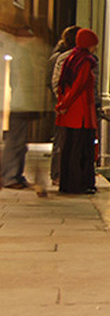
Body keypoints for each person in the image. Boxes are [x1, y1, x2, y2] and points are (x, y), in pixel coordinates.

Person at [2, 28, 48, 189]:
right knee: (15, 141)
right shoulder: (21, 55)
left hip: (21, 104)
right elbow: (22, 82)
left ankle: (15, 175)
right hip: (19, 105)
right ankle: (10, 177)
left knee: (19, 142)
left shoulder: (21, 54)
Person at [54, 29, 99, 195]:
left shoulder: (71, 58)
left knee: (69, 148)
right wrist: (64, 104)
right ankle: (80, 184)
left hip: (70, 113)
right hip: (82, 112)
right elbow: (79, 86)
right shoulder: (86, 61)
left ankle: (67, 183)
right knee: (81, 149)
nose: (95, 48)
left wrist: (62, 104)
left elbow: (63, 84)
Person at [47, 25, 81, 186]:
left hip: (62, 104)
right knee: (65, 140)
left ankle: (60, 174)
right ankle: (61, 174)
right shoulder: (64, 58)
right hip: (67, 106)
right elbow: (56, 83)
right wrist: (64, 101)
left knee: (61, 140)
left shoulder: (57, 57)